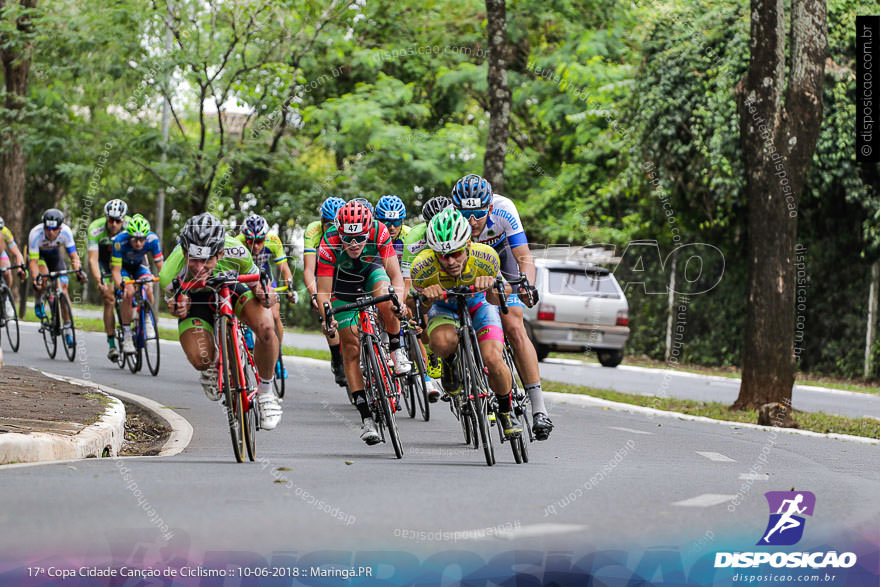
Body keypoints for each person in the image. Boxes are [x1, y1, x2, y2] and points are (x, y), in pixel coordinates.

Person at [451, 174, 554, 440]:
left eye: (477, 214)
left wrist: (527, 286)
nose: (471, 221)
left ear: (489, 208)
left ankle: (539, 410)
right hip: (469, 267)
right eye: (465, 214)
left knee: (514, 325)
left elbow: (524, 258)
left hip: (502, 262)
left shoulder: (505, 210)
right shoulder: (449, 216)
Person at [158, 213, 283, 430]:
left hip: (231, 289)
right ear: (185, 252)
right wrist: (178, 307)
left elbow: (258, 288)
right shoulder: (170, 271)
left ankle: (266, 394)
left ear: (221, 252)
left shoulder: (238, 251)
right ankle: (213, 364)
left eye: (207, 260)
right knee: (200, 359)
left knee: (266, 327)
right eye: (194, 260)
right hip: (196, 299)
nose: (199, 268)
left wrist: (266, 295)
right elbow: (175, 306)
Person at [410, 207, 522, 438]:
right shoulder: (422, 267)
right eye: (443, 255)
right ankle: (450, 362)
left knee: (492, 358)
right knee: (440, 342)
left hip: (479, 303)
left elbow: (501, 299)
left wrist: (491, 286)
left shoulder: (486, 256)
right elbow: (416, 310)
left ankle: (505, 409)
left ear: (468, 245)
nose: (450, 261)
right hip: (444, 306)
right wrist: (427, 300)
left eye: (456, 253)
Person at [317, 201, 410, 445]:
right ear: (339, 231)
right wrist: (328, 320)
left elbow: (396, 276)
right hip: (341, 289)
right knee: (350, 346)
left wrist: (399, 302)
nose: (354, 243)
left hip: (371, 274)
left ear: (368, 230)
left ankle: (395, 349)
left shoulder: (379, 231)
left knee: (388, 301)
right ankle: (366, 418)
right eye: (348, 238)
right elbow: (323, 292)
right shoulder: (329, 242)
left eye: (359, 237)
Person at [236, 214, 296, 380]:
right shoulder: (237, 242)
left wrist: (290, 287)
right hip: (245, 279)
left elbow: (284, 268)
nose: (255, 246)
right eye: (250, 241)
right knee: (244, 308)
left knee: (275, 315)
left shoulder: (273, 240)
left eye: (260, 241)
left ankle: (276, 355)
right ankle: (246, 333)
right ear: (245, 238)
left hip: (265, 278)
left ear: (265, 237)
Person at [303, 197, 347, 385]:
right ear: (321, 222)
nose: (331, 229)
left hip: (344, 269)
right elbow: (308, 270)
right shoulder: (313, 231)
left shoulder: (348, 228)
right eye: (327, 224)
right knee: (327, 312)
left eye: (334, 225)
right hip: (323, 270)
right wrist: (315, 294)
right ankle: (337, 359)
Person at [28, 209, 84, 345]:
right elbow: (33, 263)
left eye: (55, 229)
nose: (51, 232)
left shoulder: (66, 232)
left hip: (55, 257)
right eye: (48, 229)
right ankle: (38, 299)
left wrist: (78, 271)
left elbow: (74, 256)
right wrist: (37, 279)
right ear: (44, 227)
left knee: (63, 288)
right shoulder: (35, 234)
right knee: (43, 278)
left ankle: (68, 330)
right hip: (39, 257)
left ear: (60, 228)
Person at [111, 214, 164, 355]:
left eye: (142, 239)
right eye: (135, 240)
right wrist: (121, 285)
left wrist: (166, 281)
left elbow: (161, 266)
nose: (139, 244)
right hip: (124, 268)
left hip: (140, 265)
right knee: (128, 293)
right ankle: (127, 335)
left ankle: (148, 317)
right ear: (129, 237)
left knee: (148, 285)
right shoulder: (119, 241)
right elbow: (116, 271)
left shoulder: (153, 240)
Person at [87, 199, 130, 361]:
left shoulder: (131, 226)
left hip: (124, 261)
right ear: (106, 218)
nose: (114, 224)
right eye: (110, 220)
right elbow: (93, 259)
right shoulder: (95, 229)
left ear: (123, 220)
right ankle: (112, 343)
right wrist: (99, 281)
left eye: (118, 221)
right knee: (109, 299)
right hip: (104, 262)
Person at [0, 216, 27, 289]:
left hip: (0, 254)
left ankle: (6, 296)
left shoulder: (5, 232)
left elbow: (17, 253)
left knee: (7, 272)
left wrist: (20, 268)